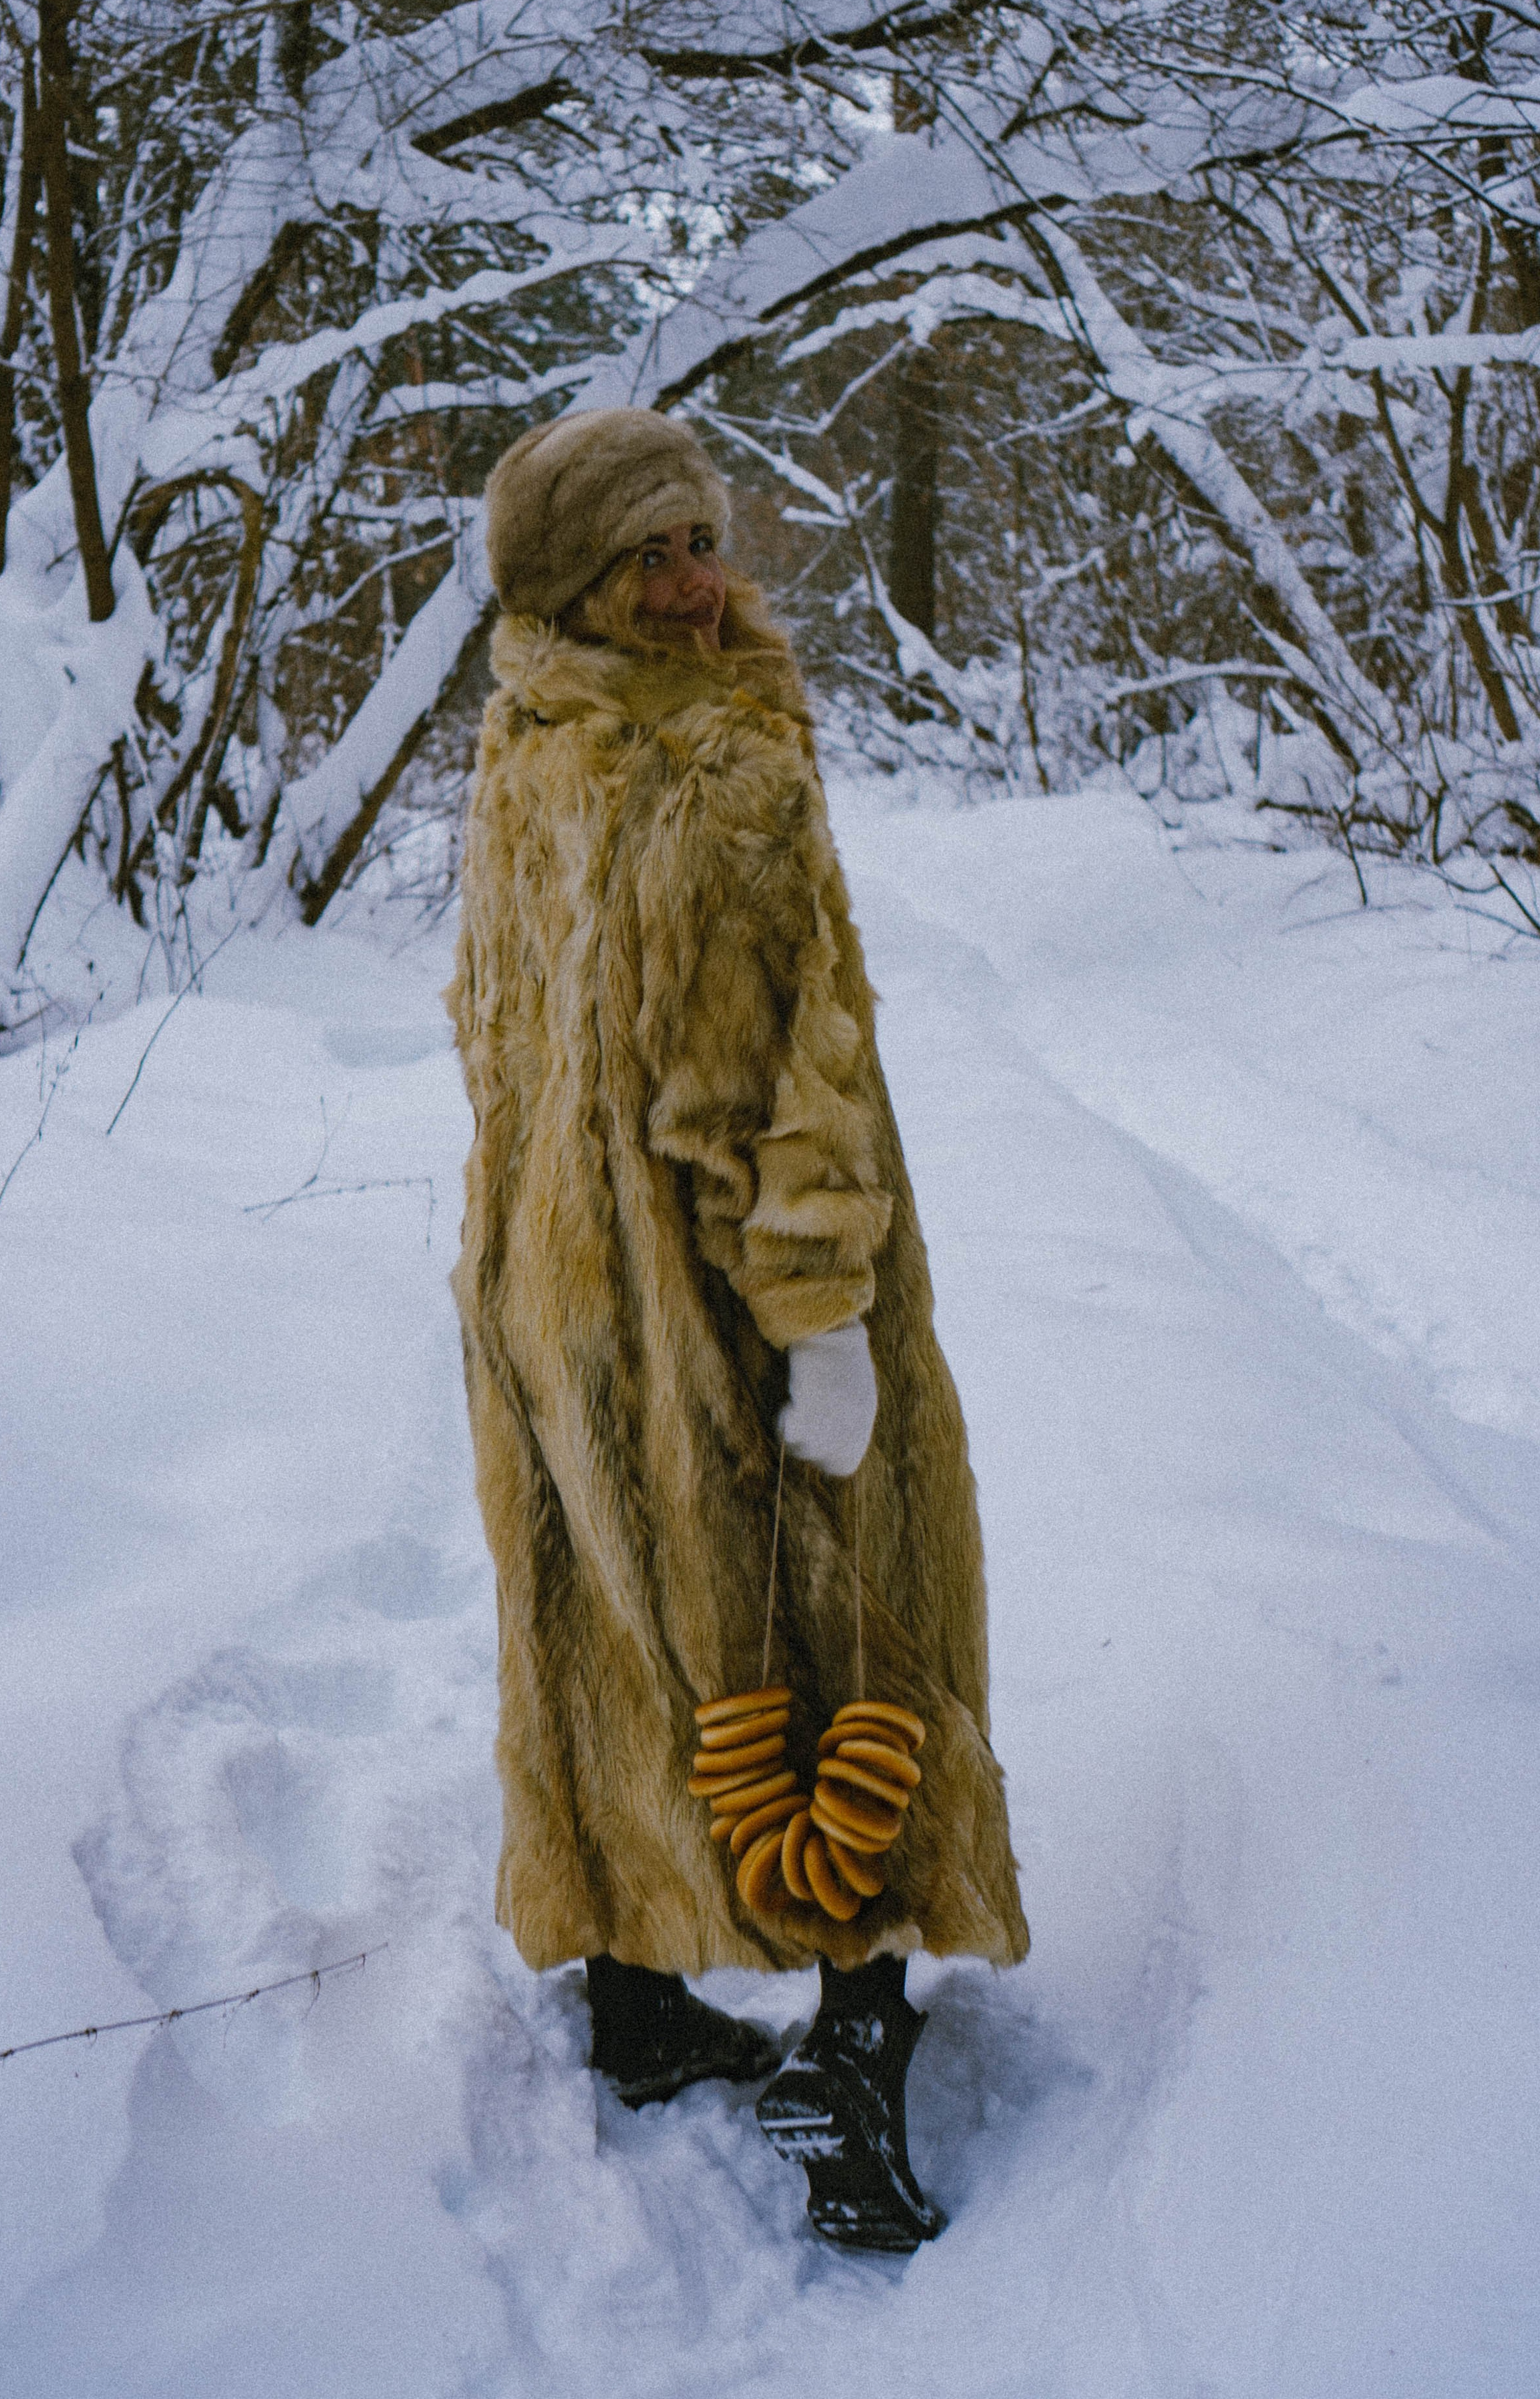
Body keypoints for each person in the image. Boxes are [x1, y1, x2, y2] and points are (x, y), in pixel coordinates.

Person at [447, 408, 1028, 2252]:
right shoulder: (723, 768)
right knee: (840, 1632)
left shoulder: (524, 739)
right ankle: (852, 2054)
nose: (703, 586)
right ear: (578, 582)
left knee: (626, 1626)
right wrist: (823, 1323)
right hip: (724, 1304)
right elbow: (782, 1092)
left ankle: (636, 1998)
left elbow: (491, 1032)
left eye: (707, 541)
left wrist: (550, 1254)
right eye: (656, 557)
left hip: (554, 1294)